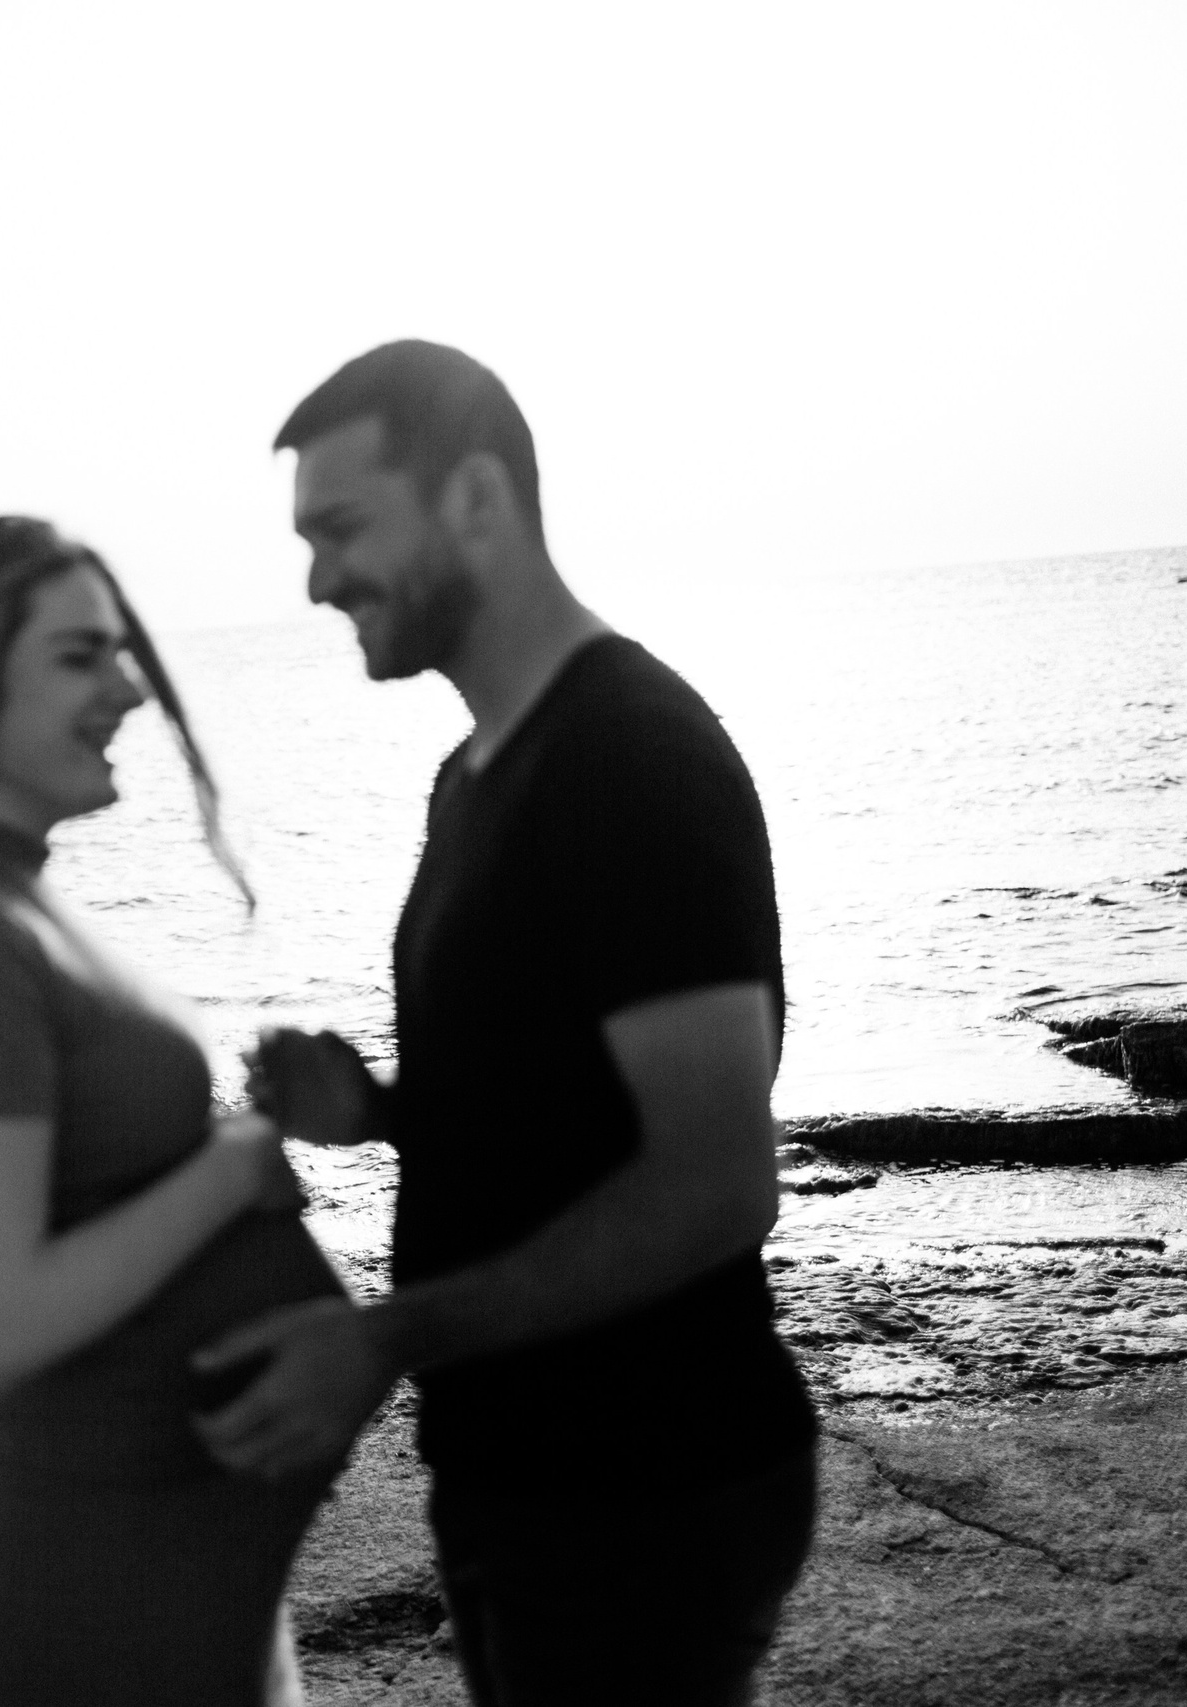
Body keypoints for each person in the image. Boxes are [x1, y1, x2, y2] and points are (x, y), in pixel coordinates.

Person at [196, 341, 819, 1705]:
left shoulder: (632, 753)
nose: (316, 580)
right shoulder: (474, 775)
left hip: (649, 1480)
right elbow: (561, 1102)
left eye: (344, 527)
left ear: (476, 495)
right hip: (523, 1472)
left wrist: (383, 1336)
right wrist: (374, 1113)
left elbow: (715, 1182)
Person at [0, 515, 346, 1707]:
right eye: (82, 656)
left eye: (123, 652)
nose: (132, 687)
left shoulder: (11, 902)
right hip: (100, 1591)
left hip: (178, 1572)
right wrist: (234, 1165)